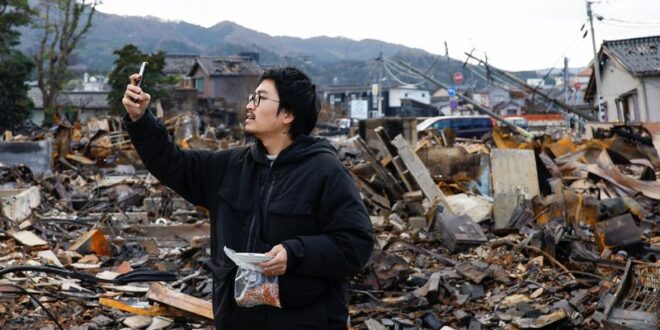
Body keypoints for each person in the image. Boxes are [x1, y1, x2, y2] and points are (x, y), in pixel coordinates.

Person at [122, 67, 374, 329]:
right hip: (238, 319)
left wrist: (295, 253)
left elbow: (356, 243)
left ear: (288, 114)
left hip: (303, 320)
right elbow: (171, 162)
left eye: (260, 99)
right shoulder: (230, 166)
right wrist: (140, 118)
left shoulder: (325, 171)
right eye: (252, 97)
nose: (249, 105)